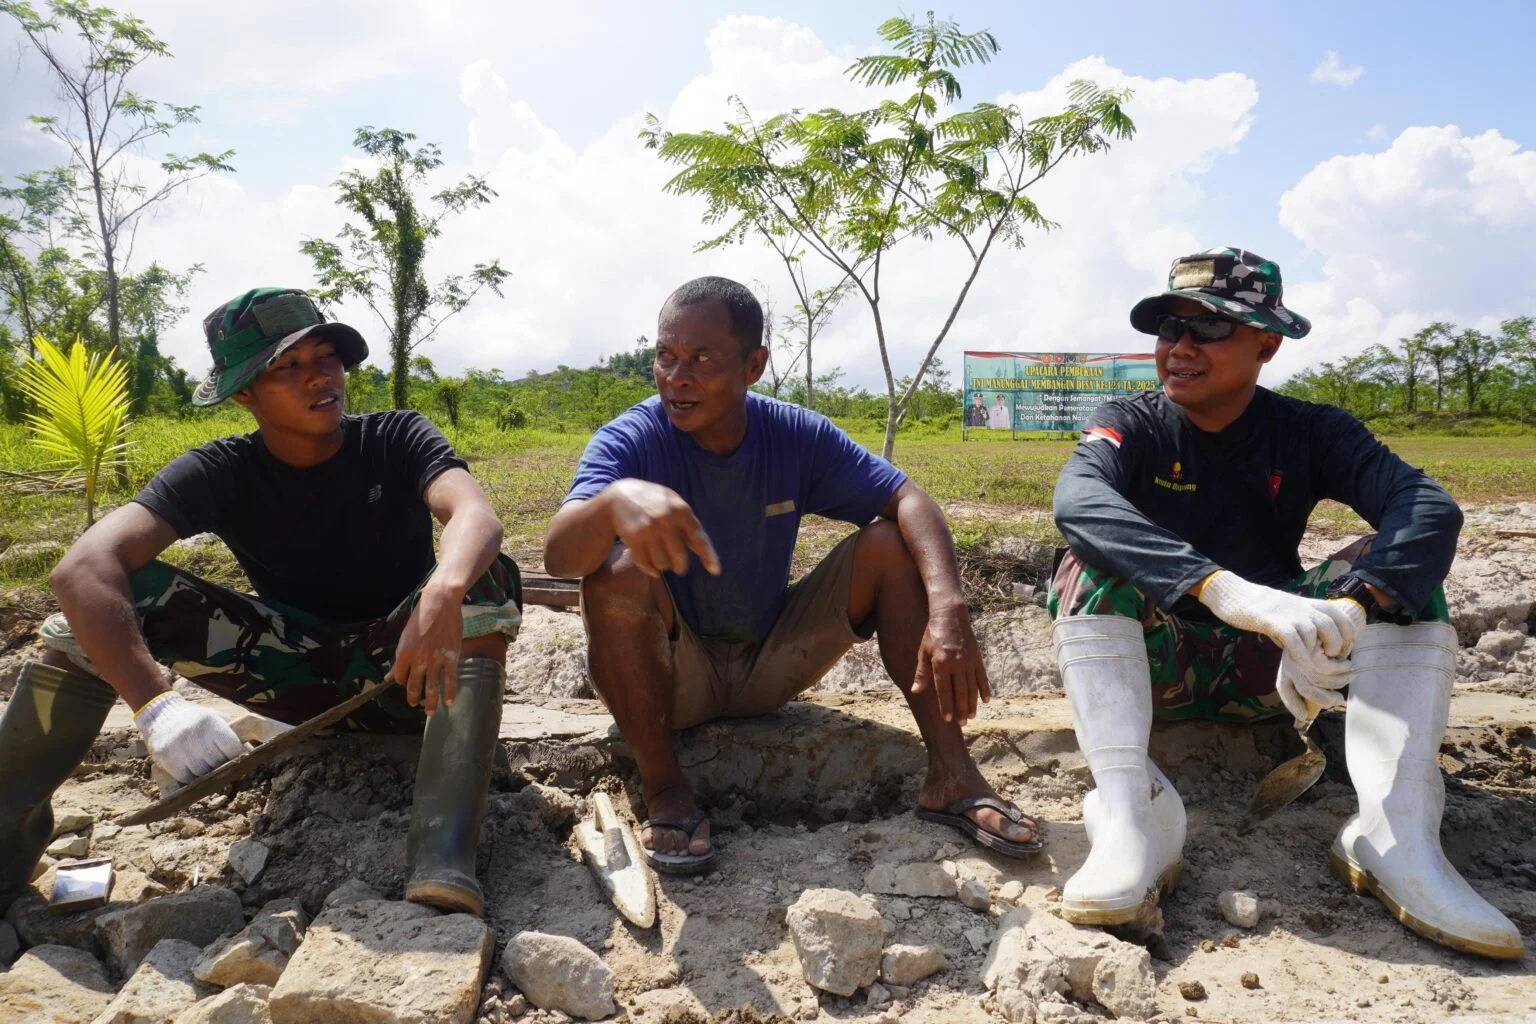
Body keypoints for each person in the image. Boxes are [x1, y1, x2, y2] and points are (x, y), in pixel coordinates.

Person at [1047, 247, 1522, 959]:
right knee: (1088, 560)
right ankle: (1130, 818)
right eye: (1169, 328)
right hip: (1159, 667)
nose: (1179, 348)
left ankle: (1395, 834)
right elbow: (1078, 500)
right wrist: (1229, 591)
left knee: (1402, 573)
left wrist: (1352, 611)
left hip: (1277, 676)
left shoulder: (1311, 431)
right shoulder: (1133, 424)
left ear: (1267, 344)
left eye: (1208, 330)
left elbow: (1426, 507)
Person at [0, 288, 522, 917]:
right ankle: (5, 846)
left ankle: (443, 856)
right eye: (289, 366)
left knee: (484, 574)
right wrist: (155, 706)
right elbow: (81, 567)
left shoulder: (394, 437)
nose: (319, 377)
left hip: (412, 676)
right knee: (100, 604)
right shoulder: (221, 470)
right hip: (292, 682)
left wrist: (442, 589)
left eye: (326, 357)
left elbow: (473, 512)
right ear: (244, 393)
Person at [543, 276, 1040, 873]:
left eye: (702, 359)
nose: (678, 377)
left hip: (768, 660)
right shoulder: (632, 439)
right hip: (676, 678)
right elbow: (559, 559)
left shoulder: (792, 435)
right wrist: (611, 504)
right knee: (614, 571)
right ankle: (667, 789)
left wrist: (949, 608)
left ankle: (953, 777)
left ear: (754, 365)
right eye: (666, 357)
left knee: (889, 544)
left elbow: (909, 498)